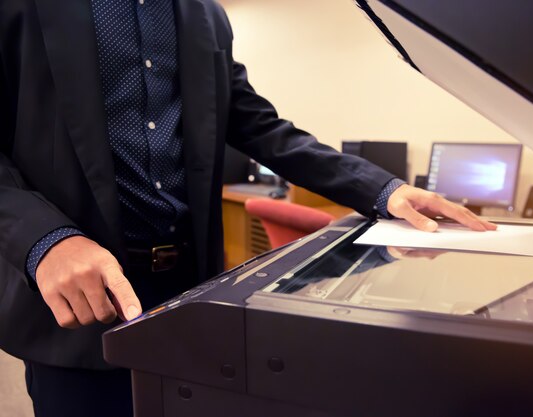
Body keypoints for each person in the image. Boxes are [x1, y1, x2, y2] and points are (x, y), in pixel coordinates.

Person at [0, 0, 496, 416]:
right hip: (81, 301)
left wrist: (383, 190)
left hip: (194, 296)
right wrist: (46, 240)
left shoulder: (205, 14)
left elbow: (258, 125)